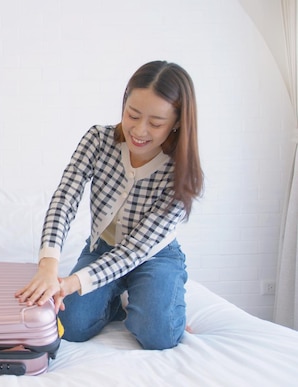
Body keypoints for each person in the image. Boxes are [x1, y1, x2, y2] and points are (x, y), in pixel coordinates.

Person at [16, 60, 203, 350]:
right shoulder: (98, 140)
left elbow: (136, 250)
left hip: (154, 255)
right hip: (102, 248)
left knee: (158, 335)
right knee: (72, 326)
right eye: (132, 115)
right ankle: (118, 302)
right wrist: (49, 265)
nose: (139, 131)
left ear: (177, 122)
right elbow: (65, 198)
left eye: (155, 123)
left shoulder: (181, 172)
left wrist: (70, 283)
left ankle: (160, 303)